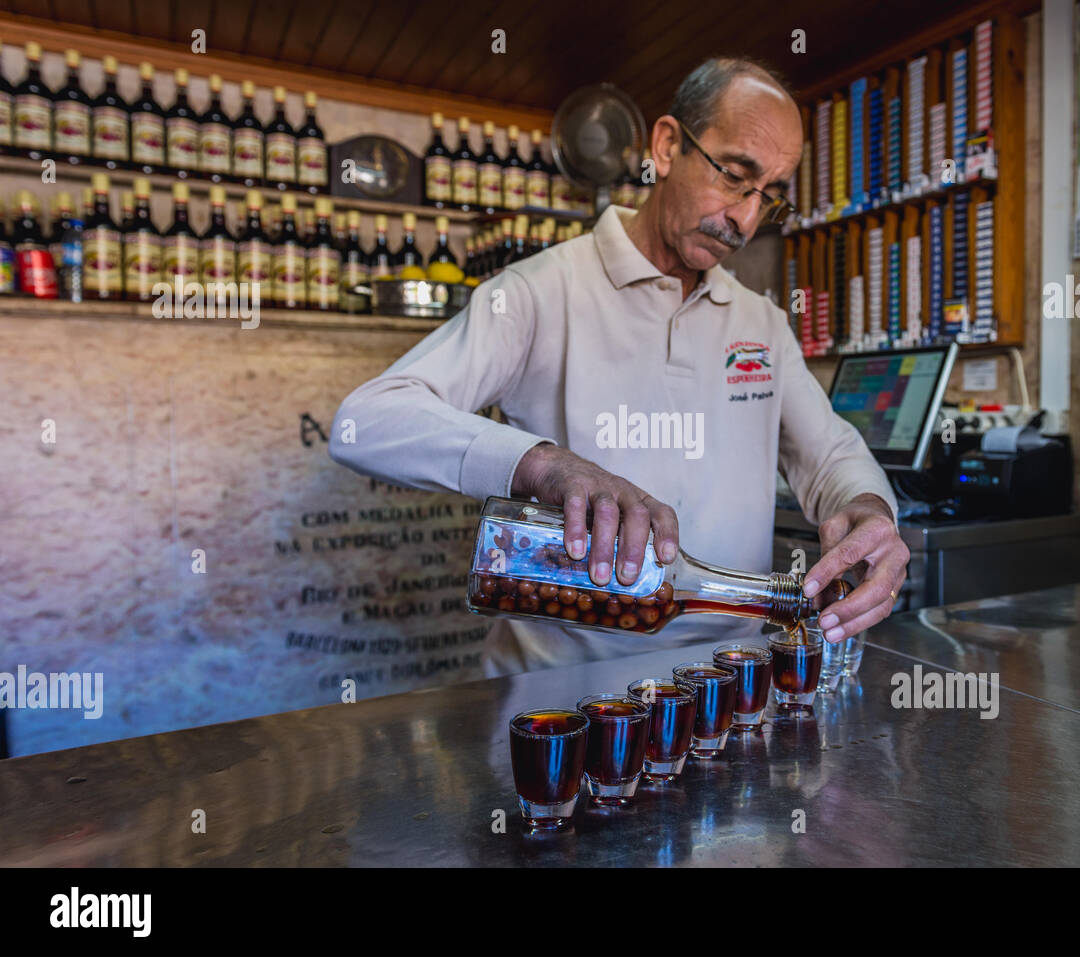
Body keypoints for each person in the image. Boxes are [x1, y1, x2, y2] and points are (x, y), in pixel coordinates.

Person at [329, 57, 909, 676]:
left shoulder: (758, 322)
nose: (744, 218)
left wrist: (868, 509)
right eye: (735, 177)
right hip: (558, 697)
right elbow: (365, 420)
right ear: (665, 146)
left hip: (723, 684)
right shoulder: (538, 291)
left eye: (768, 197)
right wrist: (541, 464)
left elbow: (830, 454)